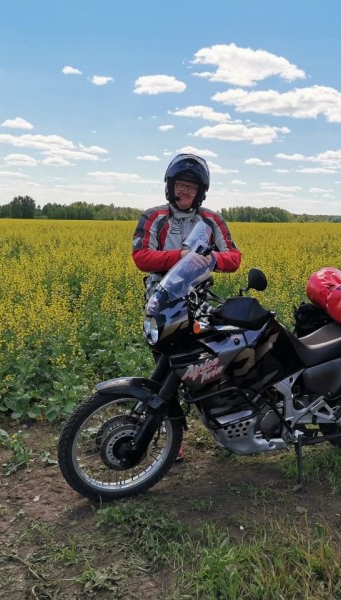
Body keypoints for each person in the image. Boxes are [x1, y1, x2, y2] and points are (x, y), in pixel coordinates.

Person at [132, 153, 241, 461]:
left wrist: (211, 259)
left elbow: (233, 257)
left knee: (212, 367)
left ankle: (226, 428)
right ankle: (173, 438)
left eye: (191, 188)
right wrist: (181, 256)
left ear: (200, 192)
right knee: (167, 370)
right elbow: (141, 257)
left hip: (198, 304)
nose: (185, 192)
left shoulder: (211, 219)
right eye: (180, 185)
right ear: (170, 186)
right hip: (163, 303)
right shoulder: (153, 217)